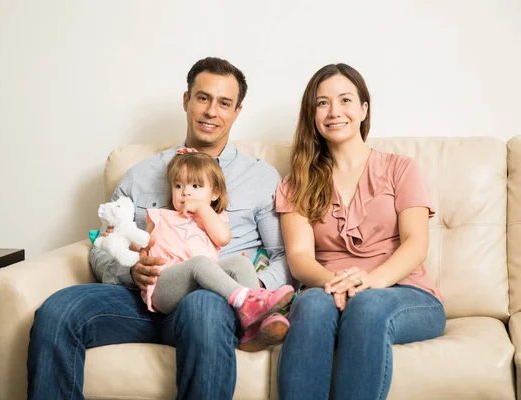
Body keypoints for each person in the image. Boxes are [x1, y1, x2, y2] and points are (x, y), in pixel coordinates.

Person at [26, 57, 292, 400]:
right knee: (58, 311)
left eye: (224, 103)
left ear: (237, 112)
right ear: (186, 100)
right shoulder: (140, 174)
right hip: (140, 297)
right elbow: (102, 245)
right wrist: (130, 271)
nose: (211, 111)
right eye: (203, 98)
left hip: (211, 300)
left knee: (203, 307)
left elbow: (283, 256)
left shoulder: (259, 177)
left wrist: (250, 291)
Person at [275, 63, 446, 400]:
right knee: (309, 305)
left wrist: (369, 281)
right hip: (329, 289)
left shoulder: (400, 168)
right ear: (311, 114)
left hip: (404, 293)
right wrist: (334, 283)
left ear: (364, 109)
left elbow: (416, 244)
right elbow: (298, 257)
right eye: (322, 103)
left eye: (345, 100)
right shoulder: (296, 183)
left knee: (366, 305)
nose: (334, 111)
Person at [143, 148, 293, 351]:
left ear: (214, 193)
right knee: (199, 263)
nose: (186, 192)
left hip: (199, 285)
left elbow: (223, 238)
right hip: (164, 286)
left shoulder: (212, 218)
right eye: (178, 186)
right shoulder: (160, 216)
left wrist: (202, 209)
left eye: (196, 186)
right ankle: (244, 301)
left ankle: (254, 327)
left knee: (241, 263)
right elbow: (141, 245)